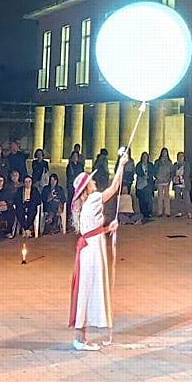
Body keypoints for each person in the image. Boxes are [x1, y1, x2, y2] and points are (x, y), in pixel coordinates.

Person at [68, 150, 127, 351]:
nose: (94, 182)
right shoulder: (92, 199)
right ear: (87, 187)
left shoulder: (85, 205)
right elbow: (113, 188)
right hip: (91, 251)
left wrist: (108, 229)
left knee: (87, 288)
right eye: (91, 181)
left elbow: (93, 229)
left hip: (91, 246)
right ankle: (79, 338)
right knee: (86, 289)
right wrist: (121, 165)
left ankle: (81, 337)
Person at [153, 147, 173, 217]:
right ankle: (160, 212)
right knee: (160, 197)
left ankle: (167, 212)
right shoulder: (157, 162)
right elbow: (154, 170)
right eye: (163, 152)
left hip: (167, 181)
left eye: (166, 152)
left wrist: (170, 179)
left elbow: (171, 171)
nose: (164, 153)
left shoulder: (169, 162)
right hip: (159, 181)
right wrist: (157, 177)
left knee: (167, 196)